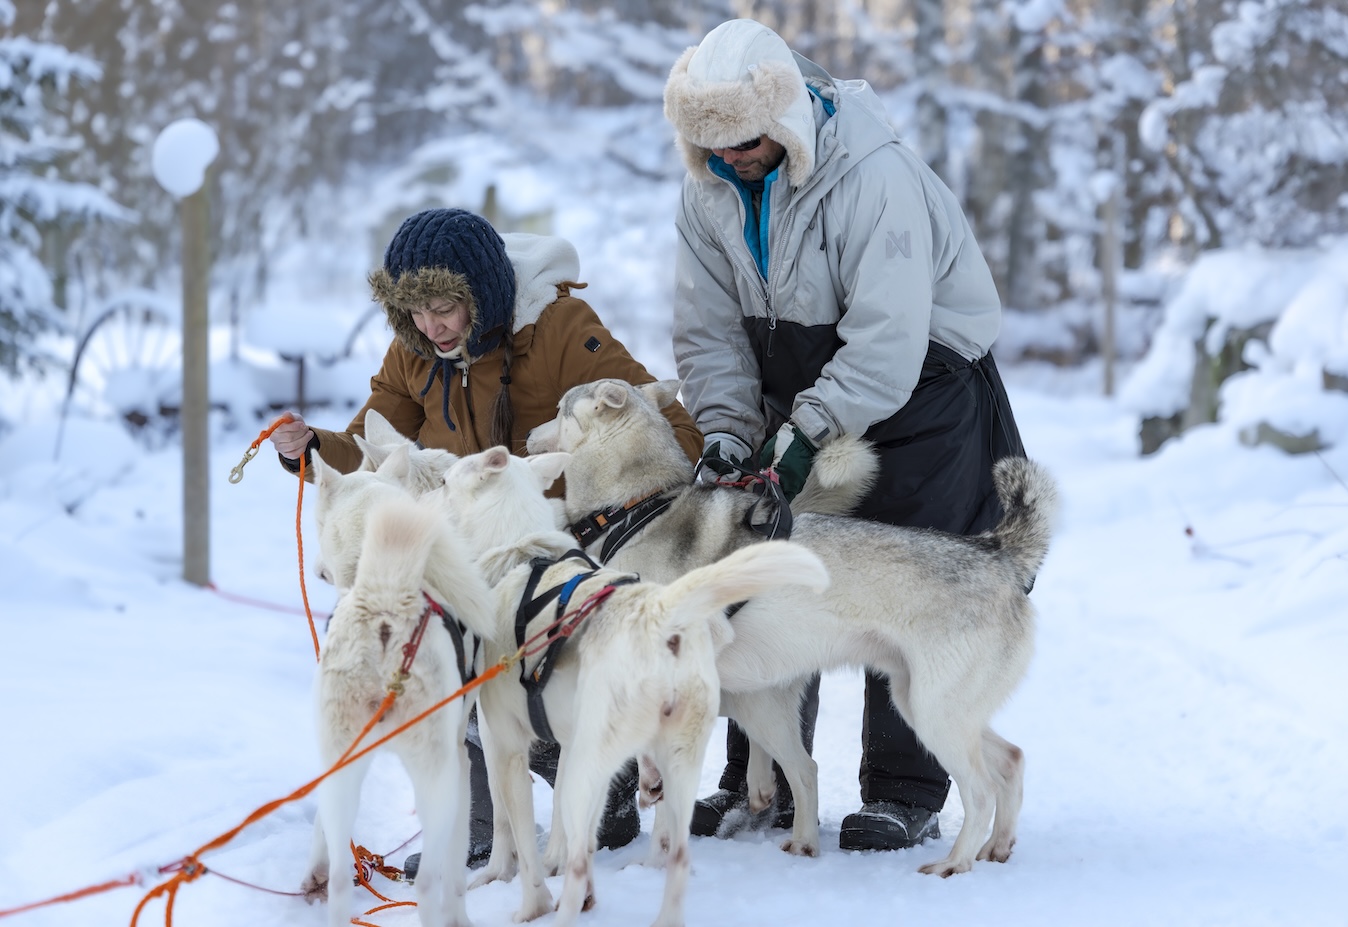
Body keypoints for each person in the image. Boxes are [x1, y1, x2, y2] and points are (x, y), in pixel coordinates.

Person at [662, 19, 1027, 852]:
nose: (730, 159)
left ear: (783, 118)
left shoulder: (874, 177)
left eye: (744, 140)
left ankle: (904, 787)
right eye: (709, 145)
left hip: (922, 384)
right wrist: (725, 434)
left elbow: (888, 341)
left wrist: (807, 433)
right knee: (763, 571)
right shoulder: (706, 191)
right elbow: (708, 333)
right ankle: (755, 777)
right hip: (792, 376)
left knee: (903, 575)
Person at [270, 207, 705, 867]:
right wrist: (308, 450)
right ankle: (468, 823)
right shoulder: (412, 351)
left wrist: (599, 506)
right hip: (468, 545)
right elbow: (364, 446)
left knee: (526, 664)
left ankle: (601, 784)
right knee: (435, 638)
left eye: (444, 308)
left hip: (553, 542)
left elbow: (660, 418)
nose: (430, 326)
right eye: (414, 314)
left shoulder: (559, 332)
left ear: (483, 293)